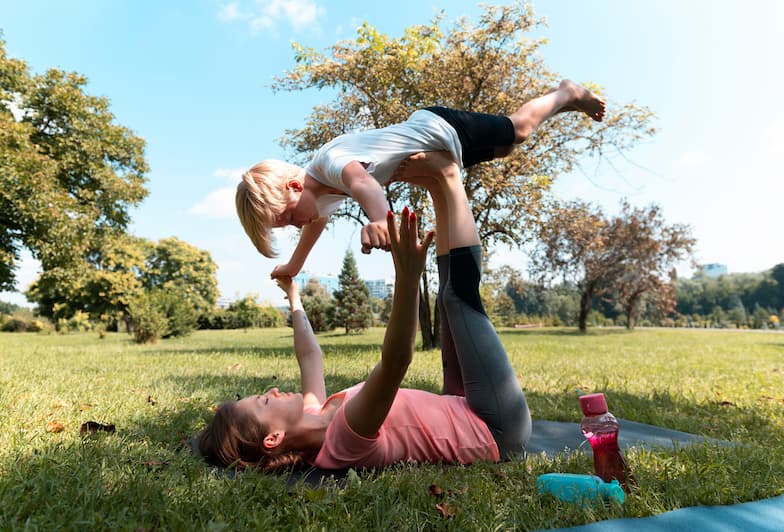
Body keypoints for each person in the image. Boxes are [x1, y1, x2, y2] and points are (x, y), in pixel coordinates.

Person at [199, 155, 531, 471]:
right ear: (274, 439)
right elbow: (395, 362)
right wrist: (407, 276)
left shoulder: (316, 412)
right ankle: (448, 178)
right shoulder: (342, 437)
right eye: (265, 402)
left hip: (460, 404)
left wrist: (294, 297)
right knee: (458, 300)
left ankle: (439, 185)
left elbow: (310, 356)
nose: (272, 392)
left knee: (448, 299)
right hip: (494, 428)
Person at [236, 79, 606, 280]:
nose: (292, 225)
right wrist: (294, 266)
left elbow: (364, 183)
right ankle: (561, 105)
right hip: (445, 148)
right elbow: (314, 226)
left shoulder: (329, 163)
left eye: (285, 217)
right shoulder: (317, 199)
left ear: (295, 187)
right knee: (506, 149)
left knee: (519, 130)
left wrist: (380, 219)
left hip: (441, 127)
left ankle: (565, 92)